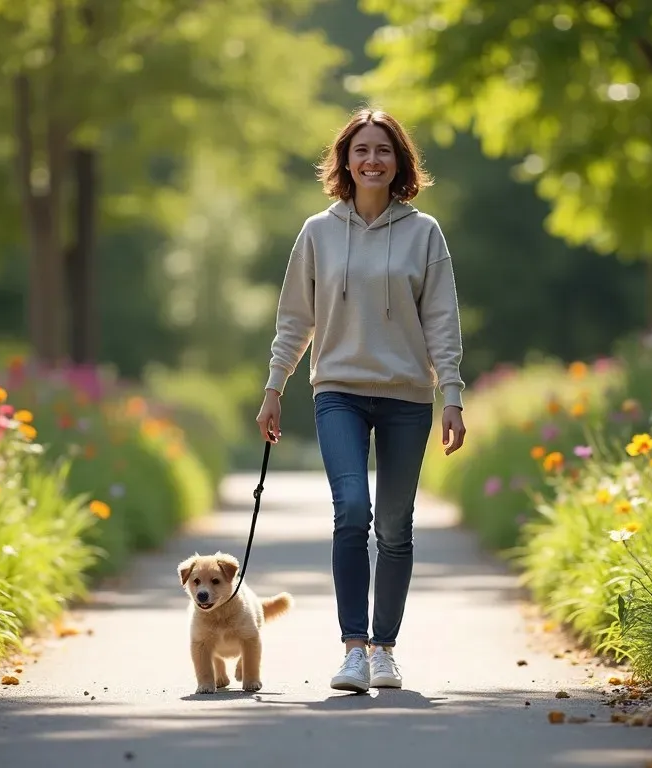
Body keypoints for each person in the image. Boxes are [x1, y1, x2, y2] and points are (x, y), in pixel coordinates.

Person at [256, 107, 467, 694]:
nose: (371, 160)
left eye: (383, 151)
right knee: (352, 510)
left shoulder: (424, 233)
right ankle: (353, 648)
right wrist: (275, 388)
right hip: (339, 391)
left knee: (395, 526)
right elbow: (295, 319)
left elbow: (443, 321)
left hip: (406, 395)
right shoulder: (318, 231)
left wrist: (451, 393)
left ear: (399, 162)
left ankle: (384, 649)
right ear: (344, 161)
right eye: (361, 150)